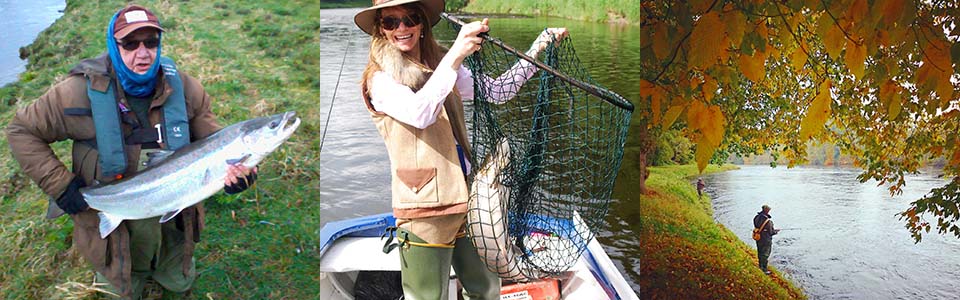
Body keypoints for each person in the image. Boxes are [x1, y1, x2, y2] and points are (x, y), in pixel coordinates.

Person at [5, 4, 257, 299]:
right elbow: (21, 130)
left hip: (175, 222)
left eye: (151, 42)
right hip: (113, 233)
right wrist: (60, 186)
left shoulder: (187, 90)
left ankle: (170, 272)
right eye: (130, 43)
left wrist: (240, 176)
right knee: (121, 290)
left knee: (179, 284)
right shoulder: (75, 92)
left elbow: (216, 143)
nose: (143, 53)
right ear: (114, 45)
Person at [355, 0, 568, 298]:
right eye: (391, 22)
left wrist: (536, 50)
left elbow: (497, 91)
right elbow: (420, 113)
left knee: (487, 288)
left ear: (422, 24)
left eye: (410, 19)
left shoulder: (440, 66)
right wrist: (456, 54)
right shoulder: (378, 80)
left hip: (468, 200)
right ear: (381, 29)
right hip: (423, 210)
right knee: (428, 295)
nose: (402, 28)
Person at [753, 204, 780, 275]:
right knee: (765, 254)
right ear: (767, 211)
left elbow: (757, 226)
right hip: (766, 240)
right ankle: (764, 269)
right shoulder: (768, 221)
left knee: (760, 251)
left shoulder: (756, 217)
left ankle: (760, 265)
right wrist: (776, 231)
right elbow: (771, 232)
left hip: (758, 238)